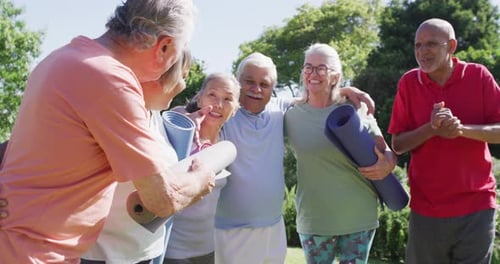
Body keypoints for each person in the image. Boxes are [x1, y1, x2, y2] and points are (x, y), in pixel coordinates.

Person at [0, 1, 216, 263]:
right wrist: (201, 179)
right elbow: (161, 199)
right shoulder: (111, 79)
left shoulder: (61, 58)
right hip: (36, 252)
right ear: (165, 47)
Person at [214, 52, 376, 264]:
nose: (257, 89)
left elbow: (316, 96)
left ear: (273, 89)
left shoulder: (279, 109)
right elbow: (195, 110)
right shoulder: (223, 115)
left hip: (273, 228)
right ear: (237, 82)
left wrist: (344, 89)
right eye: (249, 82)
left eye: (265, 84)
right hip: (230, 230)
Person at [388, 18, 500, 264]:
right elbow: (397, 144)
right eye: (417, 45)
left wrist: (460, 129)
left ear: (451, 46)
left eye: (430, 44)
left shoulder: (478, 76)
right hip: (426, 208)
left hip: (477, 206)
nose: (422, 51)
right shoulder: (409, 83)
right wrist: (432, 129)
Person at [284, 43, 397, 264]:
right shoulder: (290, 115)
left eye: (321, 68)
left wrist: (389, 161)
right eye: (308, 67)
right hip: (315, 220)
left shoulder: (355, 110)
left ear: (336, 76)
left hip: (358, 217)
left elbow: (386, 153)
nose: (313, 74)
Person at [81, 50, 192, 264]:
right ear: (161, 72)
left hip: (143, 253)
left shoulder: (156, 116)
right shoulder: (115, 112)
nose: (183, 86)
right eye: (183, 76)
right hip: (99, 255)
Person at [164, 72, 240, 264]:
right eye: (212, 95)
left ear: (235, 109)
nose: (218, 104)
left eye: (228, 99)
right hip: (171, 251)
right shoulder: (179, 135)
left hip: (205, 250)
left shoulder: (225, 147)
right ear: (199, 98)